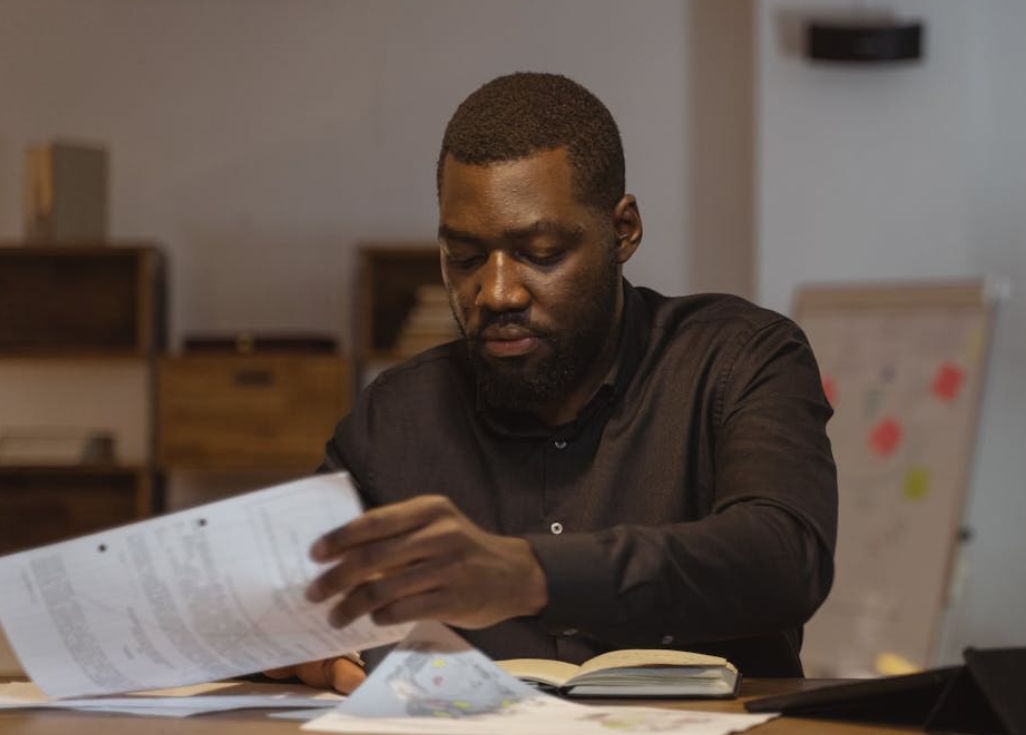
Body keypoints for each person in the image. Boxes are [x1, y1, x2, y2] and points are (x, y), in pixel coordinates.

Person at [268, 72, 837, 693]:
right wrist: (283, 641)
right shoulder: (397, 415)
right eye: (464, 258)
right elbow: (283, 588)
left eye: (540, 253)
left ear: (623, 231)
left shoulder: (738, 358)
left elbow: (785, 558)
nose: (496, 293)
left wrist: (531, 574)